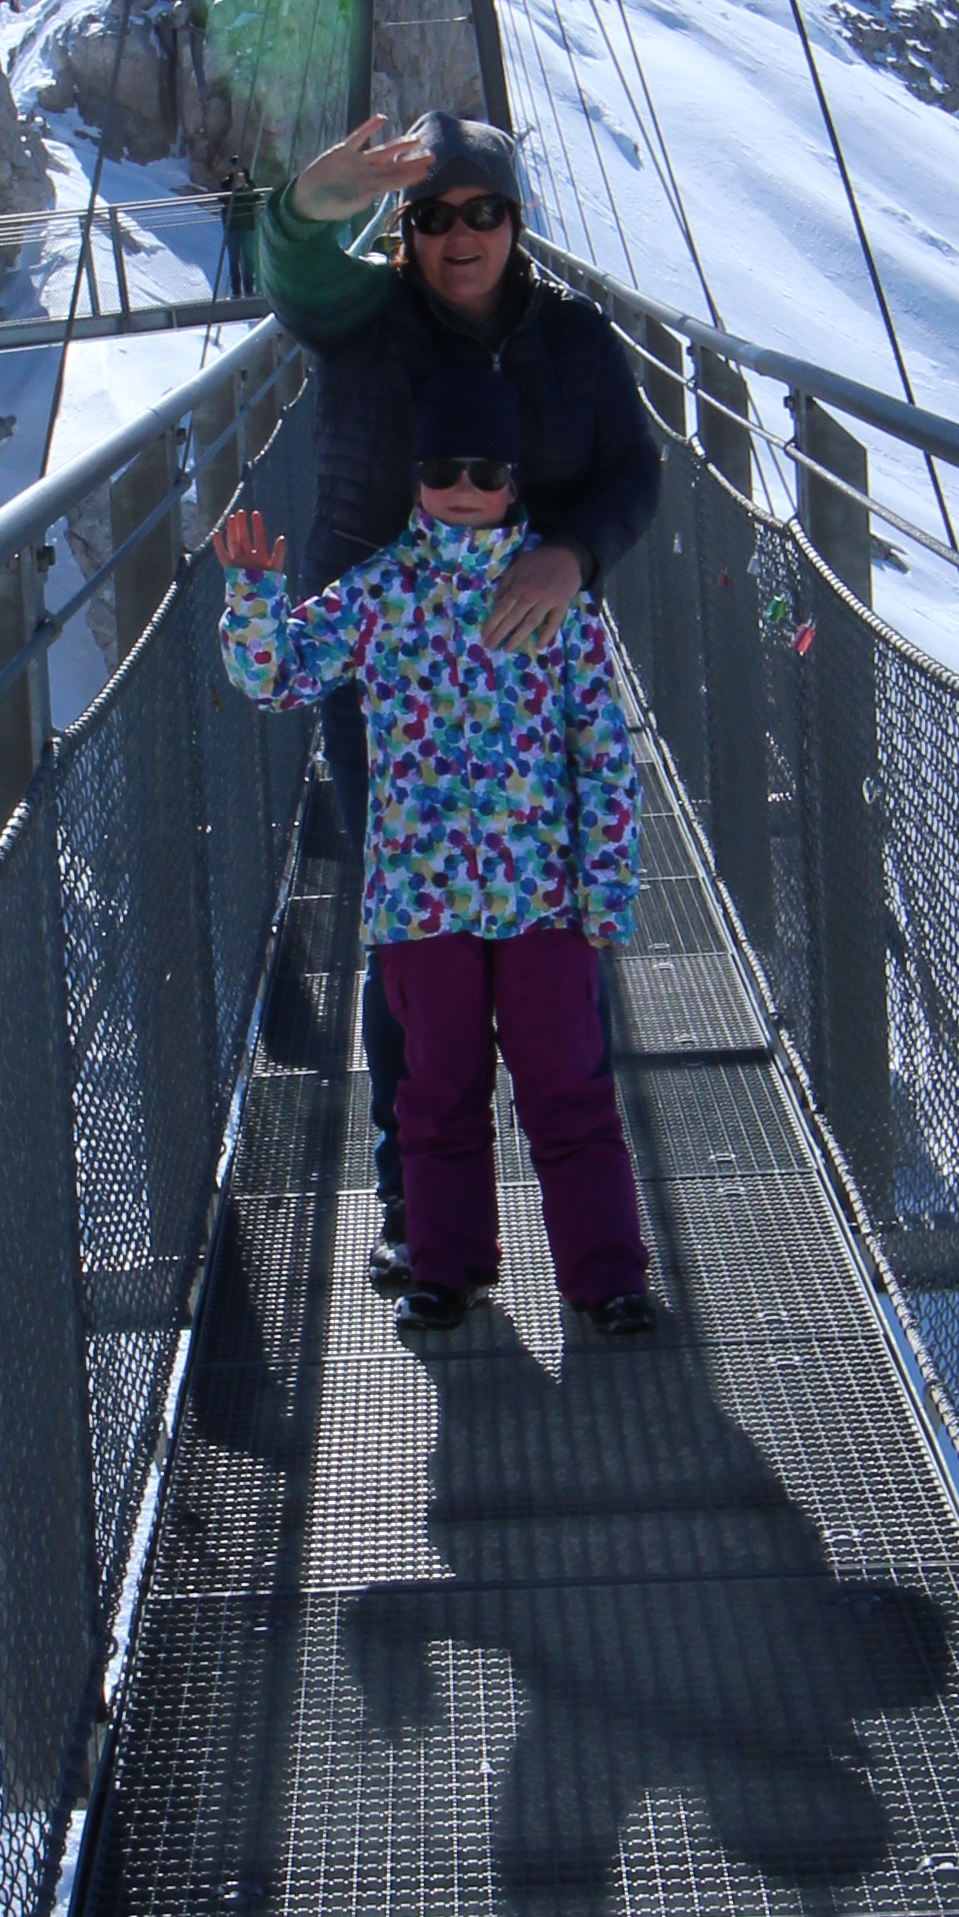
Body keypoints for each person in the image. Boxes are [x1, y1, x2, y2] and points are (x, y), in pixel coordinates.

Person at [241, 106, 659, 1270]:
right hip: (386, 668)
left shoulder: (575, 337)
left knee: (555, 941)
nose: (459, 235)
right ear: (406, 231)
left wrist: (574, 555)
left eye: (482, 212)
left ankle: (591, 1229)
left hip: (532, 671)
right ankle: (414, 1208)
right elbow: (295, 280)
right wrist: (303, 211)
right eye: (432, 217)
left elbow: (634, 469)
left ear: (516, 224)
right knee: (410, 940)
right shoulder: (366, 316)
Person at [214, 365, 660, 1338]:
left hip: (543, 898)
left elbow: (602, 754)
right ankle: (446, 1269)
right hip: (421, 899)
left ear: (513, 481)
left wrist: (607, 890)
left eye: (486, 470)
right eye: (443, 468)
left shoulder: (556, 594)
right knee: (437, 1092)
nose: (465, 488)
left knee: (568, 1089)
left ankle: (608, 1277)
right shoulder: (379, 592)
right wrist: (252, 598)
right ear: (415, 477)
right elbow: (275, 678)